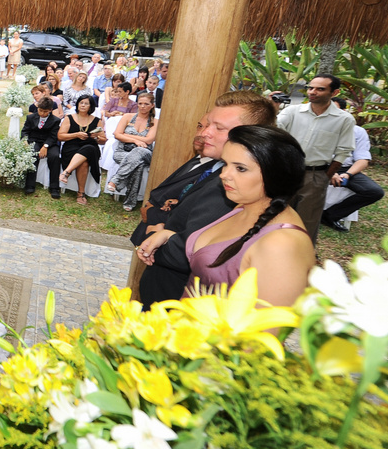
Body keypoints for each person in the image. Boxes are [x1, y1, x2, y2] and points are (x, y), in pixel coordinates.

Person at [130, 91, 278, 308]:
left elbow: (192, 252)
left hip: (180, 306)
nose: (205, 133)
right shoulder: (216, 167)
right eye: (207, 125)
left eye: (219, 128)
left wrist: (159, 236)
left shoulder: (232, 185)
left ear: (250, 135)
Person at [139, 126, 314, 306]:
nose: (224, 175)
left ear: (275, 174)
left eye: (240, 168)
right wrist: (167, 235)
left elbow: (267, 321)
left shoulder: (282, 245)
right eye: (225, 164)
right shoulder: (243, 206)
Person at [276, 73, 355, 242]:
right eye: (310, 88)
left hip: (315, 175)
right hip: (286, 172)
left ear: (334, 93)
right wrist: (272, 106)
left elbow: (344, 150)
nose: (312, 92)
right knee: (276, 215)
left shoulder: (344, 120)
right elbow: (273, 128)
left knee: (307, 222)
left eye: (320, 89)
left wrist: (324, 177)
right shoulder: (292, 111)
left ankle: (303, 254)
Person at [321, 98, 384, 232]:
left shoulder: (358, 132)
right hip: (319, 166)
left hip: (345, 168)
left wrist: (348, 174)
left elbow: (362, 159)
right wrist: (330, 172)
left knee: (374, 191)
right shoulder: (316, 128)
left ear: (344, 112)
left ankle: (329, 215)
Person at [107, 92, 158, 212]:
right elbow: (117, 134)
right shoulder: (127, 117)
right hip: (122, 151)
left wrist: (126, 135)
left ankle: (116, 180)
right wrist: (136, 140)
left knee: (139, 151)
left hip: (145, 153)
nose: (142, 106)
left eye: (146, 104)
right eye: (140, 103)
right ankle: (130, 201)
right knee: (137, 164)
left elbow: (149, 140)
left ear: (152, 105)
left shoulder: (155, 121)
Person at [57, 95, 105, 205]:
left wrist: (96, 137)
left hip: (91, 147)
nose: (83, 105)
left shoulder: (97, 120)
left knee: (89, 148)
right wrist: (76, 135)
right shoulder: (69, 118)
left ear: (91, 106)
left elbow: (103, 140)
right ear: (77, 104)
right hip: (72, 146)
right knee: (84, 162)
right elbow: (60, 136)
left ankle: (66, 173)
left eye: (86, 103)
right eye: (81, 103)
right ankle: (81, 193)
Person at [22, 97, 62, 199]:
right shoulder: (31, 117)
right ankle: (29, 185)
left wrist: (46, 146)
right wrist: (25, 140)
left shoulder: (55, 120)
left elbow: (53, 136)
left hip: (50, 143)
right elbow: (25, 131)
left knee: (55, 156)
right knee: (33, 153)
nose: (42, 113)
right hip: (34, 141)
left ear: (50, 110)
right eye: (40, 110)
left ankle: (54, 187)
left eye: (45, 111)